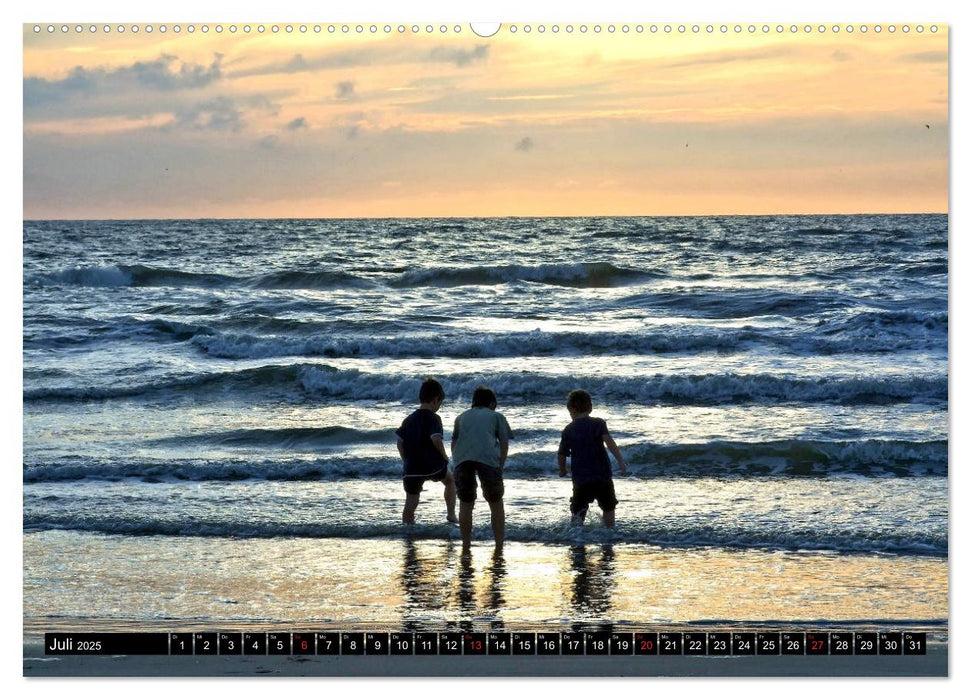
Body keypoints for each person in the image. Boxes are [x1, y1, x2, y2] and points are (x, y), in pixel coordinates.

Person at [451, 386, 513, 553]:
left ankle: (466, 545)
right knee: (495, 502)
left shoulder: (461, 417)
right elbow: (504, 444)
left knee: (466, 502)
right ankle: (499, 545)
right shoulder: (496, 416)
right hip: (488, 459)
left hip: (462, 460)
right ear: (492, 403)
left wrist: (456, 461)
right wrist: (500, 465)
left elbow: (454, 443)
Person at [557, 389, 627, 527]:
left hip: (581, 479)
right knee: (608, 507)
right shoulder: (598, 423)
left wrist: (563, 470)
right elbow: (609, 442)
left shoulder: (569, 429)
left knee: (578, 511)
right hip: (602, 476)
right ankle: (609, 533)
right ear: (590, 407)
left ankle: (576, 538)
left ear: (571, 409)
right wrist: (620, 461)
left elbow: (561, 454)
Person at [396, 377, 457, 525]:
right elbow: (436, 440)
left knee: (411, 501)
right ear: (436, 399)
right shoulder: (434, 418)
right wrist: (445, 457)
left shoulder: (408, 419)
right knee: (449, 480)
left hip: (411, 468)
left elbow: (399, 443)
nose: (439, 407)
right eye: (440, 403)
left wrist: (406, 461)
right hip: (432, 465)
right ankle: (451, 514)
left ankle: (407, 528)